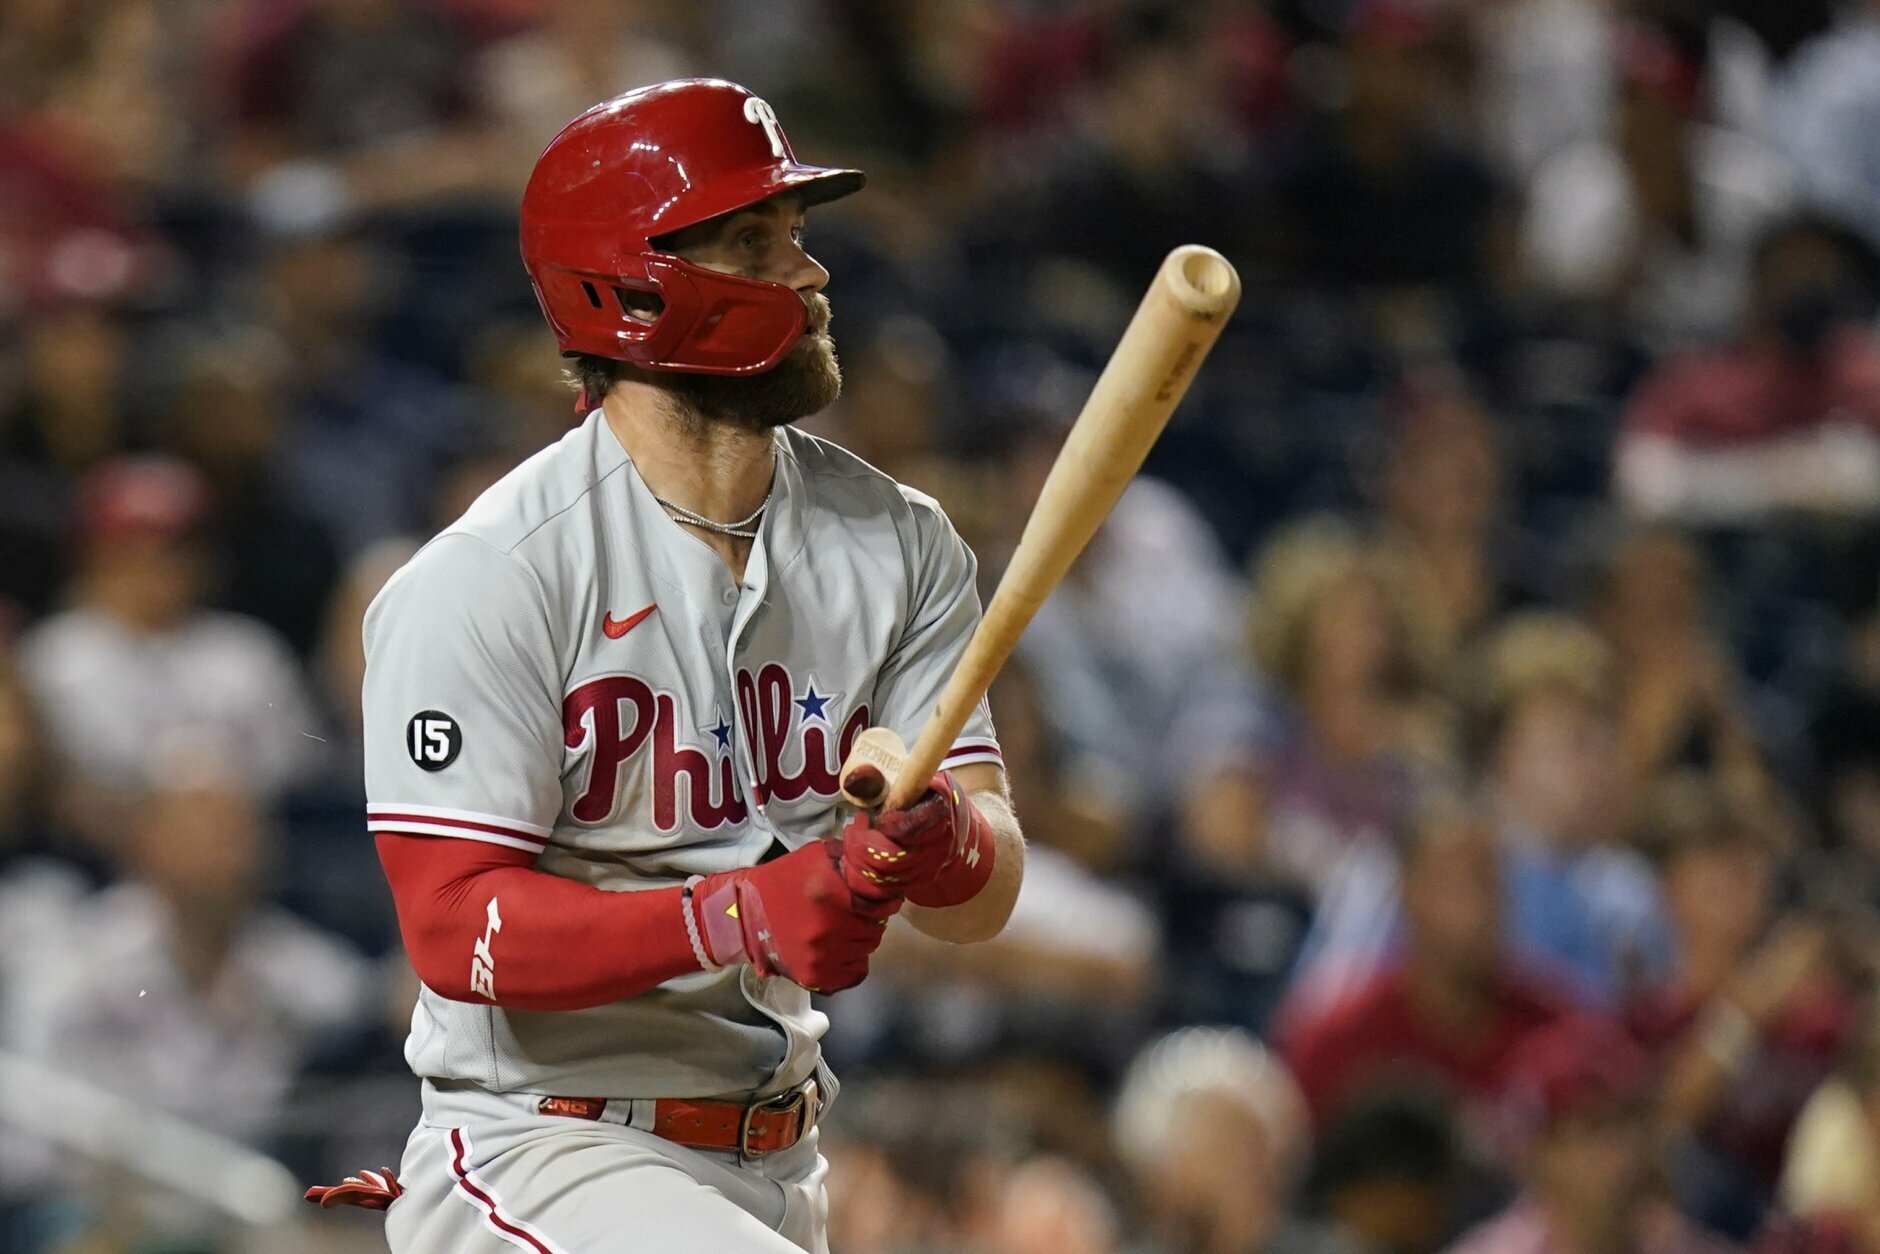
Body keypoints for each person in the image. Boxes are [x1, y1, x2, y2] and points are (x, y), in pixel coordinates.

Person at [317, 81, 1027, 1253]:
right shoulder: (492, 574)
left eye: (795, 234)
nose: (810, 274)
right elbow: (454, 929)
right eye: (754, 243)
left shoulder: (899, 541)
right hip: (541, 1146)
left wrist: (940, 837)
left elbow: (984, 896)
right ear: (629, 286)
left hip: (782, 1158)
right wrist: (737, 914)